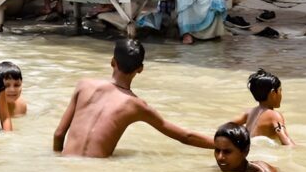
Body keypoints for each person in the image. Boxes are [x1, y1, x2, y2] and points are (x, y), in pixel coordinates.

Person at [52, 39, 215, 157]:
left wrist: (59, 160)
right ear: (140, 69)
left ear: (112, 62)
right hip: (95, 171)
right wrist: (223, 144)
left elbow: (59, 134)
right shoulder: (136, 106)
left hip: (67, 164)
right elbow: (185, 136)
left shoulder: (83, 85)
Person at [232, 69, 294, 146]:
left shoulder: (248, 112)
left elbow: (227, 126)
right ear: (273, 93)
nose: (281, 94)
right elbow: (286, 140)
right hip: (263, 154)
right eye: (280, 90)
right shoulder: (274, 116)